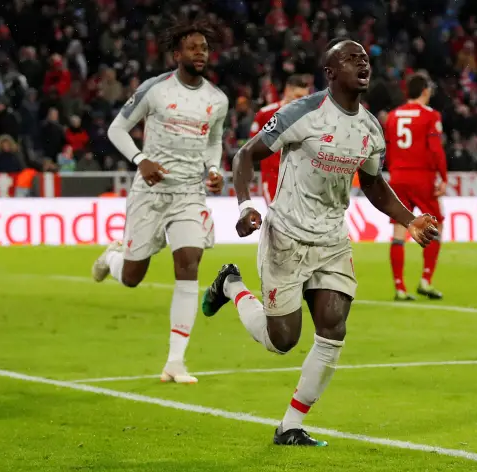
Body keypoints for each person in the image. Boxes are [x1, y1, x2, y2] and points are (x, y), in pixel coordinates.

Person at [201, 38, 439, 446]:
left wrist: (409, 219)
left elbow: (372, 183)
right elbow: (245, 156)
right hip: (286, 236)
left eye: (364, 58)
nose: (362, 63)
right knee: (283, 340)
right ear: (330, 73)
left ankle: (290, 425)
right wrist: (245, 206)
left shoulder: (370, 127)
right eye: (351, 59)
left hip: (331, 240)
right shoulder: (302, 113)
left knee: (333, 329)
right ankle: (231, 285)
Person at [91, 18, 229, 382]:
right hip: (150, 192)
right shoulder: (154, 90)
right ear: (176, 54)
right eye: (192, 47)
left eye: (204, 48)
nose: (200, 53)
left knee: (189, 264)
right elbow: (116, 129)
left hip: (189, 193)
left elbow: (214, 140)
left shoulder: (217, 99)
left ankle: (175, 362)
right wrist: (140, 159)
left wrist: (214, 168)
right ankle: (112, 258)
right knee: (132, 277)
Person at [383, 72, 447, 300]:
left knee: (399, 231)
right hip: (422, 177)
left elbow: (387, 149)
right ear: (426, 91)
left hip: (398, 177)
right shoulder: (430, 115)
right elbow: (436, 149)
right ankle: (425, 280)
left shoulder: (392, 116)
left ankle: (399, 287)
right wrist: (443, 177)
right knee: (436, 225)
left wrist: (394, 171)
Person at [249, 75, 310, 204]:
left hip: (300, 178)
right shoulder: (265, 114)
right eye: (298, 96)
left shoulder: (310, 117)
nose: (301, 101)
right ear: (287, 91)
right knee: (275, 214)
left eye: (305, 97)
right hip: (273, 177)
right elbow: (251, 146)